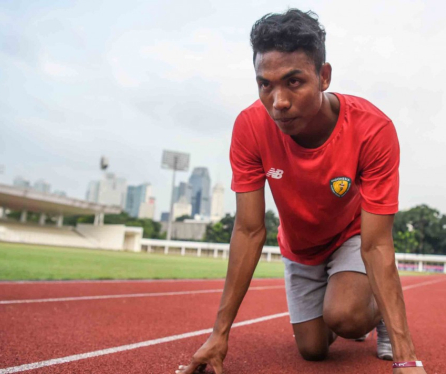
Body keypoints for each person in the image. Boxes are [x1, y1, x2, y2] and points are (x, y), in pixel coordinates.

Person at [178, 9, 426, 374]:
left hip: (351, 235)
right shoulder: (250, 127)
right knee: (312, 350)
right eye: (266, 85)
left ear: (323, 76)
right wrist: (219, 334)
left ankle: (377, 317)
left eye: (293, 82)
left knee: (345, 317)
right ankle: (345, 298)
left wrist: (406, 357)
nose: (278, 101)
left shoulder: (372, 129)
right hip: (299, 246)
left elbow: (377, 244)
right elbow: (248, 229)